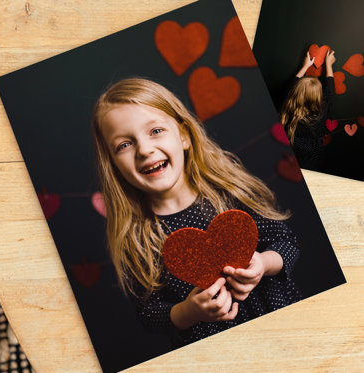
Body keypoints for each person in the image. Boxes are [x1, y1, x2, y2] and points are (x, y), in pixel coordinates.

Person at [91, 78, 302, 346]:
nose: (144, 149)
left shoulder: (229, 193)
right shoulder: (135, 237)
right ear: (113, 165)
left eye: (155, 131)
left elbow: (287, 242)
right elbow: (148, 313)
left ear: (184, 136)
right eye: (124, 145)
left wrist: (263, 263)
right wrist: (188, 312)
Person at [280, 50, 336, 171]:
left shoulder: (289, 108)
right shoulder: (322, 111)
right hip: (311, 162)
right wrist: (329, 65)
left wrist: (305, 66)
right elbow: (330, 93)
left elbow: (291, 86)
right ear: (319, 96)